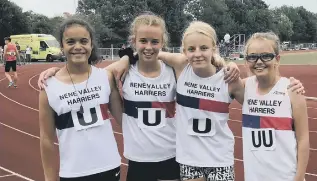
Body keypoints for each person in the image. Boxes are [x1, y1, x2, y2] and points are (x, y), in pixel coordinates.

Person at [37, 13, 241, 181]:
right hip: (137, 161)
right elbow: (87, 76)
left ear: (162, 43)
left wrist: (225, 63)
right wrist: (55, 71)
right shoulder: (120, 71)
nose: (149, 46)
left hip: (171, 157)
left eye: (155, 42)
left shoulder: (174, 69)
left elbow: (203, 59)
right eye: (143, 41)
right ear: (134, 41)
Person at [154, 21, 305, 181]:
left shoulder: (228, 79)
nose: (197, 53)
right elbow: (152, 52)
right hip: (189, 159)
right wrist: (126, 60)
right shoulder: (181, 66)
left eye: (204, 48)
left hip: (220, 159)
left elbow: (259, 93)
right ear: (184, 51)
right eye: (191, 49)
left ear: (214, 48)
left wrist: (289, 85)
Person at [38, 18, 123, 181]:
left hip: (109, 167)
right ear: (62, 46)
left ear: (91, 45)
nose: (78, 47)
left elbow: (125, 120)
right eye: (70, 41)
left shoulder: (106, 77)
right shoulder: (48, 87)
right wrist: (49, 178)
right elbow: (47, 139)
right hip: (73, 172)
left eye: (84, 41)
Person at [241, 32, 309, 181]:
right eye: (252, 57)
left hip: (286, 176)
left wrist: (299, 177)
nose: (259, 61)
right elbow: (221, 76)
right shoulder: (245, 87)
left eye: (266, 56)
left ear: (277, 59)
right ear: (246, 61)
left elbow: (303, 139)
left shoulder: (292, 90)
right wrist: (230, 65)